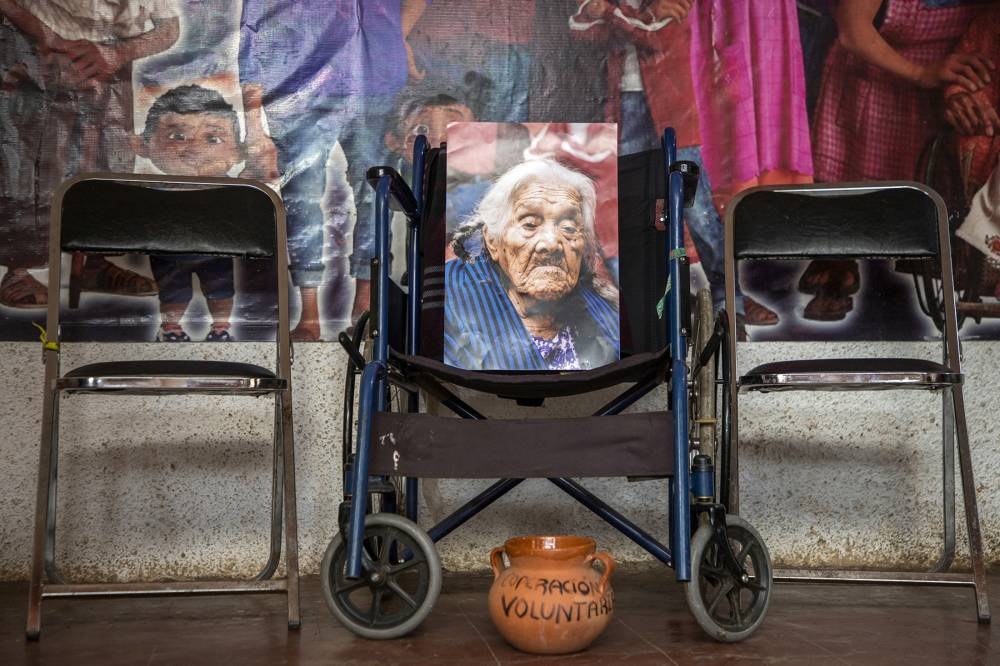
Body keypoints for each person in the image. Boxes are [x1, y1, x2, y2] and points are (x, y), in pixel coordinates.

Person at [568, 0, 780, 337]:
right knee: (634, 211)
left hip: (675, 113)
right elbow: (580, 31)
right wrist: (610, 16)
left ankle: (731, 305)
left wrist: (607, 13)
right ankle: (645, 310)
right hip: (624, 108)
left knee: (698, 213)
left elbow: (653, 34)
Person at [238, 1, 418, 340]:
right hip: (300, 87)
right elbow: (253, 31)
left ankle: (366, 303)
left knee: (374, 193)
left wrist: (396, 35)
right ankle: (309, 312)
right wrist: (254, 126)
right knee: (302, 195)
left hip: (374, 82)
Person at [805, 0, 993, 320]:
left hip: (947, 83)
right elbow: (853, 31)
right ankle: (836, 264)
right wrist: (921, 74)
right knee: (849, 197)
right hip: (873, 73)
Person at [0, 0, 179, 310]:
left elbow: (169, 27)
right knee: (31, 158)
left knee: (107, 157)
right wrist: (50, 40)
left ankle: (95, 264)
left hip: (109, 58)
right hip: (31, 44)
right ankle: (19, 270)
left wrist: (118, 53)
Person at [132, 83, 279, 341]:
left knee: (221, 291)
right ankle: (171, 329)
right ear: (141, 145)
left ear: (237, 152)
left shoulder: (237, 186)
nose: (194, 148)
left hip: (218, 250)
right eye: (177, 136)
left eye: (213, 138)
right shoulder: (150, 189)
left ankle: (221, 328)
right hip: (168, 253)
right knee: (173, 293)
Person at [445, 158, 619, 370]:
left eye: (569, 228)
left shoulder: (609, 309)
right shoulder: (449, 299)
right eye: (529, 225)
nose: (551, 243)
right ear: (492, 240)